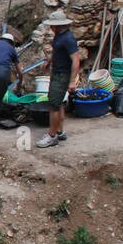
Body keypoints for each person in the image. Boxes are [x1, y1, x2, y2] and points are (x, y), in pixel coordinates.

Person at [38, 12, 82, 149]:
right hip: (57, 72)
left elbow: (75, 59)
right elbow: (56, 51)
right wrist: (49, 62)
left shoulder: (68, 39)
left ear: (58, 26)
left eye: (52, 25)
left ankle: (52, 136)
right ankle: (60, 131)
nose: (50, 27)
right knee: (59, 102)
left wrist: (72, 81)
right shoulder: (59, 36)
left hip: (63, 75)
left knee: (53, 106)